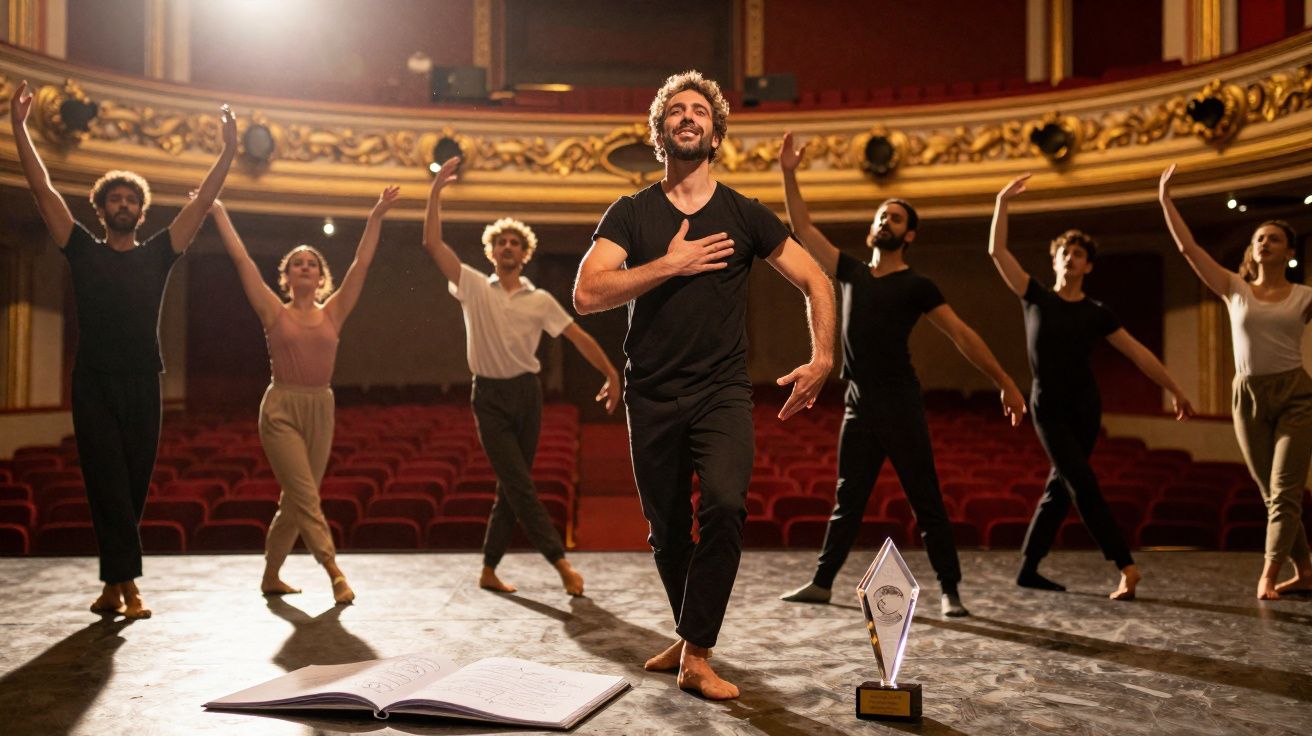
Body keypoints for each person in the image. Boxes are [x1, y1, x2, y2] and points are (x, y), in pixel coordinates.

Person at [574, 71, 835, 701]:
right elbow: (586, 293)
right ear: (662, 131)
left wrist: (823, 356)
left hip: (721, 390)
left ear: (715, 132)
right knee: (666, 529)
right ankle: (691, 641)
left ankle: (696, 652)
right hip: (652, 393)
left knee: (722, 503)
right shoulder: (632, 212)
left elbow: (816, 281)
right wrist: (671, 263)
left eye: (700, 111)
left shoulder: (744, 213)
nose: (688, 117)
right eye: (677, 111)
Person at [8, 81, 237, 619]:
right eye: (116, 198)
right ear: (102, 207)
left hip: (143, 379)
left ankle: (112, 586)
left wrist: (227, 151)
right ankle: (130, 587)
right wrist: (19, 128)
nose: (125, 204)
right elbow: (43, 191)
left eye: (132, 199)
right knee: (105, 482)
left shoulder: (159, 253)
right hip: (93, 381)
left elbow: (203, 203)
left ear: (141, 209)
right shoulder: (81, 251)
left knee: (132, 485)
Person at [775, 131, 1025, 618]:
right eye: (880, 215)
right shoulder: (851, 271)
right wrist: (789, 172)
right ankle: (823, 583)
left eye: (894, 217)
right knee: (848, 499)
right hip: (858, 404)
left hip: (901, 403)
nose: (883, 221)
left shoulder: (917, 285)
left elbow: (961, 334)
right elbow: (803, 228)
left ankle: (950, 591)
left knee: (926, 501)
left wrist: (1005, 380)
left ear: (909, 235)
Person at [990, 173, 1194, 600]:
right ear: (1055, 260)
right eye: (1064, 250)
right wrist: (1001, 202)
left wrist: (1174, 386)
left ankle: (1029, 567)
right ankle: (1126, 565)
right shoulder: (1035, 296)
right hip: (1047, 405)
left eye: (1078, 253)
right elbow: (997, 250)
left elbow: (1138, 353)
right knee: (1081, 482)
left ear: (1088, 266)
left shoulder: (1097, 312)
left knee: (1061, 485)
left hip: (1085, 407)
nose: (1070, 256)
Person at [423, 157, 618, 598]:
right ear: (492, 251)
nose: (508, 247)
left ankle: (489, 569)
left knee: (511, 487)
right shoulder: (472, 285)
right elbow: (433, 244)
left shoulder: (541, 299)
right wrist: (435, 192)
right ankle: (561, 564)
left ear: (524, 252)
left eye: (515, 242)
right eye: (501, 242)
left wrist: (610, 371)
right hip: (488, 396)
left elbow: (577, 336)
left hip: (527, 395)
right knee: (519, 483)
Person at [208, 187, 400, 604]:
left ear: (320, 276)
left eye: (311, 263)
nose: (305, 267)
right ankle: (333, 570)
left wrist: (376, 216)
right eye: (297, 263)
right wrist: (218, 211)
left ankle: (271, 575)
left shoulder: (334, 311)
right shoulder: (272, 311)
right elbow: (241, 260)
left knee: (295, 501)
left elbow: (361, 265)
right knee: (306, 497)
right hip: (280, 408)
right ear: (288, 276)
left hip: (321, 406)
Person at [1160, 164, 1312, 600]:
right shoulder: (1234, 289)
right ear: (1252, 249)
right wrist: (1166, 200)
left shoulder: (1304, 297)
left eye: (1274, 238)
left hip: (1296, 395)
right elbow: (1189, 249)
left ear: (1289, 252)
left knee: (1285, 491)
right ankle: (1304, 569)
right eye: (1259, 238)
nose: (1265, 242)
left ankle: (1267, 575)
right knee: (1271, 493)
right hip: (1246, 395)